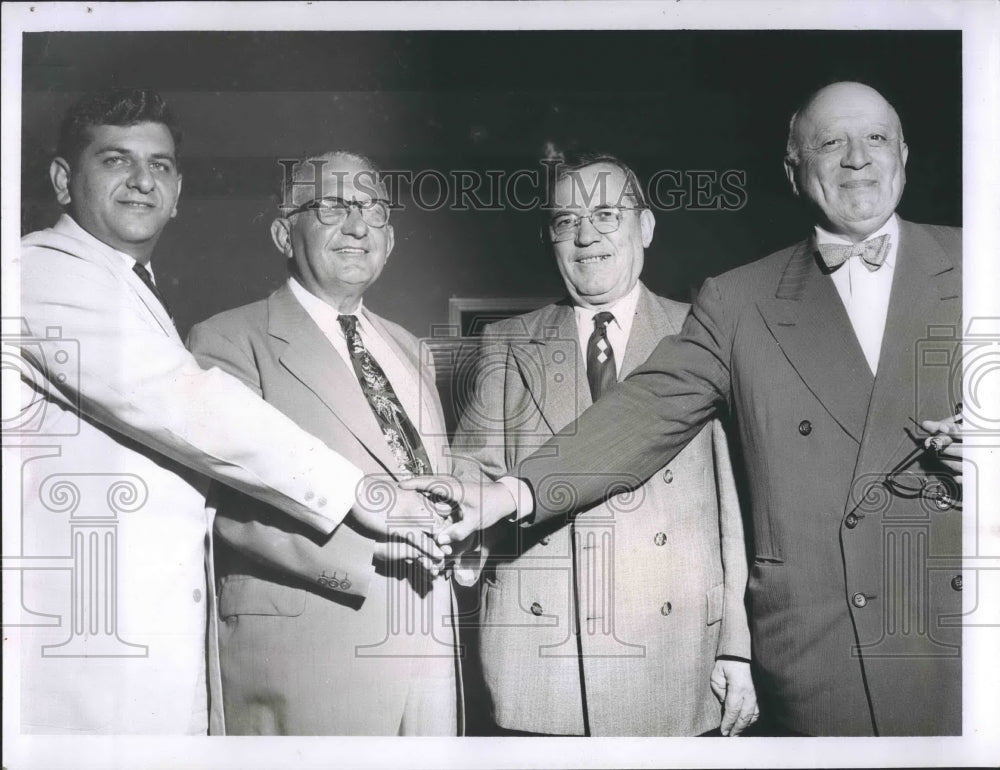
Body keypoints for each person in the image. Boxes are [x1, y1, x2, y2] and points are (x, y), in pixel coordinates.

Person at [406, 82, 963, 736]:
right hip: (819, 657)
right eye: (829, 142)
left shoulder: (982, 259)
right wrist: (509, 492)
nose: (855, 158)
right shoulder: (739, 300)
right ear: (795, 168)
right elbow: (645, 410)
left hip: (957, 632)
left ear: (904, 152)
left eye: (874, 137)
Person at [13, 90, 430, 735]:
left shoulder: (127, 288)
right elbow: (189, 403)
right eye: (115, 160)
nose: (142, 181)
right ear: (65, 180)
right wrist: (361, 493)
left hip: (144, 649)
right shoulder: (34, 271)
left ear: (179, 192)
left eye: (161, 165)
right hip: (85, 654)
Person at [450, 152, 756, 736]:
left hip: (679, 651)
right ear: (551, 240)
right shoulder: (506, 342)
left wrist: (736, 647)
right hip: (543, 657)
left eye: (607, 215)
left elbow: (737, 509)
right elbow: (474, 481)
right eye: (566, 221)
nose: (585, 235)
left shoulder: (705, 333)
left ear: (645, 227)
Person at [187, 151, 462, 735]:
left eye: (373, 210)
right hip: (310, 659)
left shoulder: (412, 348)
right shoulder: (229, 340)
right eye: (334, 206)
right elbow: (225, 504)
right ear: (285, 233)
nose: (359, 225)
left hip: (430, 649)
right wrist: (365, 557)